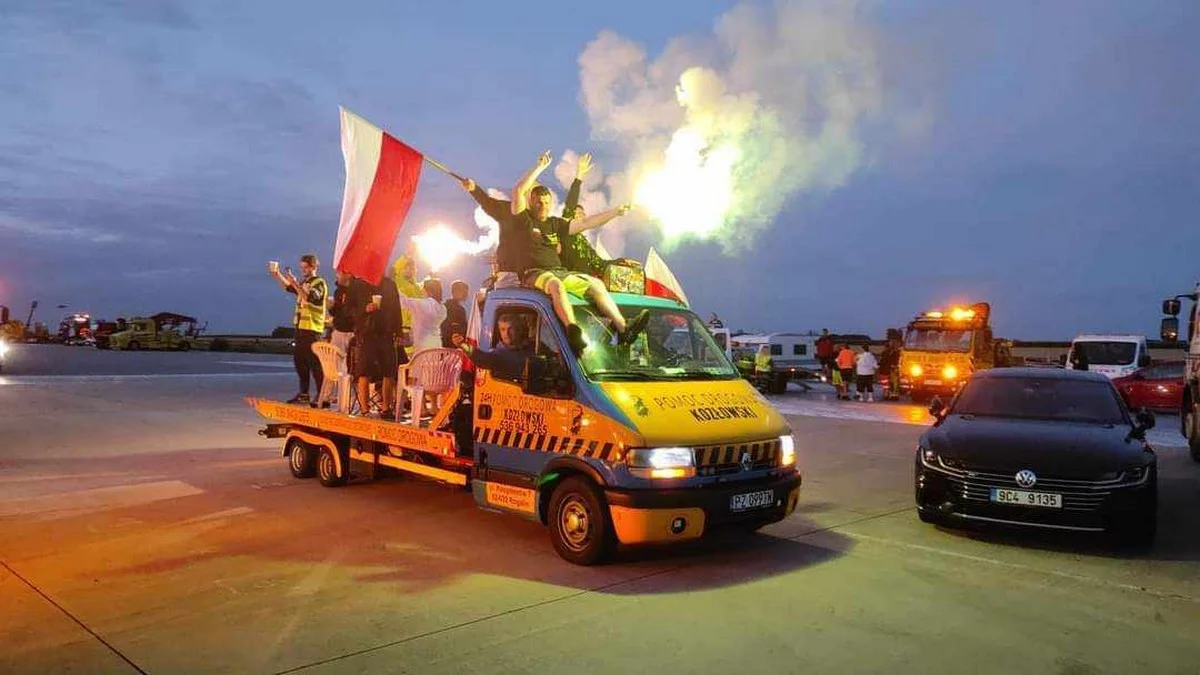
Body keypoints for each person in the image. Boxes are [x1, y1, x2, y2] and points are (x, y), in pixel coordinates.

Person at [508, 152, 647, 355]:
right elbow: (518, 190)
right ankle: (572, 332)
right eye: (538, 202)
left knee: (596, 285)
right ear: (531, 202)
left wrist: (615, 212)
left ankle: (624, 329)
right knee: (556, 285)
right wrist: (540, 167)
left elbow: (587, 223)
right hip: (534, 273)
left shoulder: (556, 224)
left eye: (546, 202)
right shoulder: (523, 220)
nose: (543, 206)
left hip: (559, 272)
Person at [267, 254, 327, 405]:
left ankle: (322, 395)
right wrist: (277, 275)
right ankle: (304, 393)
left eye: (306, 267)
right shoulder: (304, 282)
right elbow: (290, 288)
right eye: (302, 267)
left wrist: (295, 283)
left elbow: (310, 298)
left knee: (314, 363)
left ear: (314, 267)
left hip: (312, 329)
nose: (303, 270)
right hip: (301, 328)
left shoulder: (319, 283)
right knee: (300, 362)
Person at [348, 275, 400, 418]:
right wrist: (364, 309)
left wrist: (398, 331)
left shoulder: (389, 284)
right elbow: (349, 309)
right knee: (364, 370)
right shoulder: (357, 284)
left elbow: (396, 308)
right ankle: (365, 409)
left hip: (386, 332)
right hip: (366, 333)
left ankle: (386, 408)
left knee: (389, 370)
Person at [461, 311, 534, 382]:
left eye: (510, 329)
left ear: (519, 330)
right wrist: (462, 345)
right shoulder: (498, 353)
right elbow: (481, 358)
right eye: (503, 329)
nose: (506, 333)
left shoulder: (530, 348)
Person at [399, 275, 448, 353]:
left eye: (423, 288)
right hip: (437, 346)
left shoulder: (424, 304)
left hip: (422, 349)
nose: (422, 290)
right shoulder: (443, 308)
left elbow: (404, 301)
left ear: (429, 291)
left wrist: (393, 287)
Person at [327, 270, 355, 377]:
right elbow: (337, 312)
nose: (337, 275)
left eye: (340, 273)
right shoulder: (338, 291)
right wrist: (331, 307)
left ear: (348, 274)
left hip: (353, 332)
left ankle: (350, 385)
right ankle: (338, 385)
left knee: (352, 365)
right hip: (339, 330)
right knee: (336, 364)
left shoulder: (357, 290)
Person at [441, 279, 469, 348]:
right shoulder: (458, 309)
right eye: (465, 292)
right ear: (457, 292)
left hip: (443, 346)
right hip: (453, 348)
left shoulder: (443, 306)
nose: (466, 295)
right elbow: (459, 330)